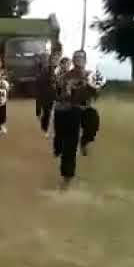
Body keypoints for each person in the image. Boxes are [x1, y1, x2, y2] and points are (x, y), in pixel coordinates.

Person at [56, 50, 101, 190]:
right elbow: (61, 96)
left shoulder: (90, 75)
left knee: (93, 117)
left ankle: (86, 141)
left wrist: (94, 88)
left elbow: (96, 95)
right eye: (76, 58)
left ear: (85, 60)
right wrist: (68, 91)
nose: (79, 60)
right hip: (70, 110)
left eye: (81, 58)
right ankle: (67, 177)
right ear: (73, 61)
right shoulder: (65, 77)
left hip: (85, 109)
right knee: (69, 144)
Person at [36, 50, 61, 138]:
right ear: (50, 60)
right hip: (46, 94)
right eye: (54, 59)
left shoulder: (60, 70)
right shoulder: (45, 69)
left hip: (57, 94)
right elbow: (40, 81)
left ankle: (55, 130)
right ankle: (44, 128)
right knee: (47, 112)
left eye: (57, 59)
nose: (56, 61)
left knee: (57, 112)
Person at [52, 57, 72, 158]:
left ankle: (65, 150)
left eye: (68, 64)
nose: (66, 66)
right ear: (61, 65)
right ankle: (57, 150)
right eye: (64, 64)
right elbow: (56, 94)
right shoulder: (57, 78)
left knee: (69, 131)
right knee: (59, 131)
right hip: (60, 108)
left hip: (70, 108)